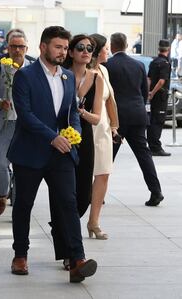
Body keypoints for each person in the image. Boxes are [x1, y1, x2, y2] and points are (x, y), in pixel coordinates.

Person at [8, 26, 97, 283]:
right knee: (24, 205)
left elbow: (71, 113)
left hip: (61, 153)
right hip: (30, 153)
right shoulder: (25, 76)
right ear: (43, 47)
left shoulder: (68, 77)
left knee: (68, 204)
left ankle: (77, 259)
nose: (63, 52)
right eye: (58, 47)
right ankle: (20, 255)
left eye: (65, 47)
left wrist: (74, 134)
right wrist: (52, 136)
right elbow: (25, 116)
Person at [106, 32, 164, 207]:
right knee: (144, 155)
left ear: (112, 45)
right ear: (125, 45)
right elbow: (144, 91)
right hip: (138, 115)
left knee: (107, 157)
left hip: (117, 117)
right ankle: (156, 191)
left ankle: (98, 194)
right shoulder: (138, 65)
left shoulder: (107, 65)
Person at [0, 30, 33, 216]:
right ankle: (3, 193)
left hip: (27, 125)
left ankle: (18, 208)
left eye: (21, 46)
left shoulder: (34, 68)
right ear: (8, 48)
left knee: (23, 166)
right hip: (3, 123)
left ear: (26, 48)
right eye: (14, 46)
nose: (17, 50)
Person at [64, 35, 103, 221]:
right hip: (61, 133)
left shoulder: (97, 78)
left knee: (84, 191)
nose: (86, 52)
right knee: (63, 186)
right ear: (71, 52)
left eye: (89, 48)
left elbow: (96, 118)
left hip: (85, 136)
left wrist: (82, 113)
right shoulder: (61, 74)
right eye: (80, 47)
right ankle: (62, 225)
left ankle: (65, 223)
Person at [87, 33, 120, 240]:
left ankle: (94, 221)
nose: (108, 51)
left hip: (104, 129)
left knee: (103, 174)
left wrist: (115, 126)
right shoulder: (86, 72)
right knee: (83, 177)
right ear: (97, 51)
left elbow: (110, 100)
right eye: (105, 48)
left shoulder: (104, 70)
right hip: (88, 127)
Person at [147, 39, 172, 156]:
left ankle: (152, 145)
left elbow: (149, 79)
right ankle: (155, 147)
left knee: (153, 120)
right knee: (158, 121)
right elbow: (161, 81)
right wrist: (153, 92)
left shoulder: (154, 62)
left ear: (159, 48)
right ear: (169, 49)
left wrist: (149, 92)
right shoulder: (165, 63)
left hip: (154, 95)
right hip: (160, 96)